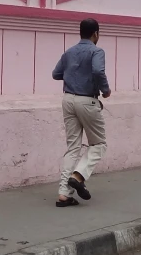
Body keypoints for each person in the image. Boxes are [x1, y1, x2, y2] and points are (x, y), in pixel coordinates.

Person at [52, 18, 111, 207]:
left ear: (80, 33)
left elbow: (56, 74)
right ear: (96, 34)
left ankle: (64, 194)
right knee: (99, 143)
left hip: (68, 99)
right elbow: (97, 71)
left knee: (73, 147)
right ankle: (78, 176)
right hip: (87, 100)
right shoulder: (97, 51)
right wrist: (106, 90)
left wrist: (72, 74)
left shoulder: (69, 52)